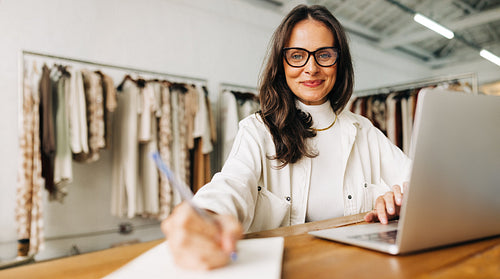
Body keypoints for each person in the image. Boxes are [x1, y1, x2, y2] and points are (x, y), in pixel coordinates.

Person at [162, 4, 411, 270]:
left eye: (324, 54)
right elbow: (231, 186)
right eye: (297, 55)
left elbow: (419, 183)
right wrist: (207, 215)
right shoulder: (257, 130)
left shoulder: (365, 131)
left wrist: (399, 200)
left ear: (340, 61)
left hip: (354, 269)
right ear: (281, 63)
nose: (311, 68)